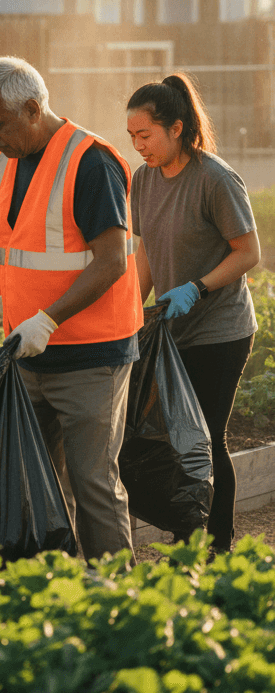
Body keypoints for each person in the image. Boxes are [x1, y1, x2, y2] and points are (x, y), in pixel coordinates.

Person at [0, 57, 142, 560]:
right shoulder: (6, 161)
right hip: (28, 357)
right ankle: (57, 593)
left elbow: (111, 262)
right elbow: (4, 250)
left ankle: (118, 602)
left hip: (92, 357)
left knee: (93, 484)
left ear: (31, 108)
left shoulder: (91, 163)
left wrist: (47, 320)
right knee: (38, 483)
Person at [126, 74, 259, 553]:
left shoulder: (214, 179)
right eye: (133, 137)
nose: (139, 146)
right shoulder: (143, 178)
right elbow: (146, 250)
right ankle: (188, 543)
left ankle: (214, 548)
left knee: (204, 436)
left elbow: (249, 253)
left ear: (176, 128)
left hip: (220, 329)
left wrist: (196, 288)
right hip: (169, 329)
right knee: (175, 437)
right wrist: (131, 306)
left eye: (146, 136)